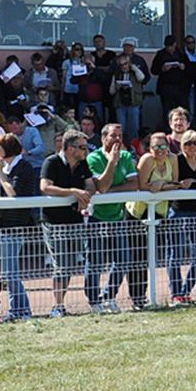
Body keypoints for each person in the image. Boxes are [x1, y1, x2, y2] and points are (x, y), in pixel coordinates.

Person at [39, 129, 95, 318]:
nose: (85, 151)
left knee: (69, 264)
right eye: (82, 147)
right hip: (54, 223)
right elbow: (45, 187)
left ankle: (61, 304)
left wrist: (85, 194)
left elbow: (90, 184)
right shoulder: (51, 162)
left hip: (75, 221)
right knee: (61, 264)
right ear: (70, 148)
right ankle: (58, 306)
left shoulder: (82, 163)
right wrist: (72, 191)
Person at [0, 132, 35, 320]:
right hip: (3, 225)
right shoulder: (9, 167)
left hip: (15, 226)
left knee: (10, 273)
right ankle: (19, 310)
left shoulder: (22, 167)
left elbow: (14, 194)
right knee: (9, 272)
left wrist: (0, 173)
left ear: (6, 150)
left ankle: (20, 311)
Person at [85, 124, 138, 313]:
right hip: (97, 217)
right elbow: (101, 186)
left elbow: (134, 185)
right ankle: (93, 301)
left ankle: (108, 296)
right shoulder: (93, 158)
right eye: (113, 136)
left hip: (118, 217)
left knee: (123, 259)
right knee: (96, 261)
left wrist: (111, 191)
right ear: (103, 138)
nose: (117, 139)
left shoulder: (126, 156)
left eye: (120, 136)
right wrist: (112, 163)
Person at [126, 132, 178, 308]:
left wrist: (161, 186)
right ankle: (137, 297)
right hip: (138, 213)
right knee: (138, 257)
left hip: (159, 211)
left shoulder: (173, 159)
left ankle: (148, 295)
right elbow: (142, 186)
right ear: (150, 148)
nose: (160, 150)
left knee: (152, 256)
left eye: (163, 146)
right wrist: (161, 187)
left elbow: (176, 183)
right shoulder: (147, 160)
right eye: (156, 147)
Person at [169, 129, 196, 304]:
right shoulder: (177, 159)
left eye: (195, 143)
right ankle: (176, 292)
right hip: (178, 210)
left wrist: (194, 182)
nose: (192, 147)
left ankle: (185, 290)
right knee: (175, 253)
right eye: (188, 143)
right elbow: (178, 183)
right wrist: (194, 183)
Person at [109, 53, 144, 143]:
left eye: (125, 64)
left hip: (133, 103)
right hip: (120, 104)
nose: (123, 66)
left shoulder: (135, 72)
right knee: (121, 128)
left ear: (129, 63)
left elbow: (142, 78)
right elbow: (111, 91)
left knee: (134, 128)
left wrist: (134, 68)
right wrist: (117, 87)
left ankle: (134, 147)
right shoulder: (116, 74)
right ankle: (121, 146)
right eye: (121, 65)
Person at [151, 35, 187, 116]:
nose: (170, 48)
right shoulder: (160, 54)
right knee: (167, 109)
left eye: (171, 46)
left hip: (179, 86)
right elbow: (153, 70)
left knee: (181, 109)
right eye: (168, 46)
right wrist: (162, 69)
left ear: (175, 44)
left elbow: (189, 68)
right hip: (166, 86)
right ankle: (167, 126)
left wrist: (183, 67)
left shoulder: (181, 54)